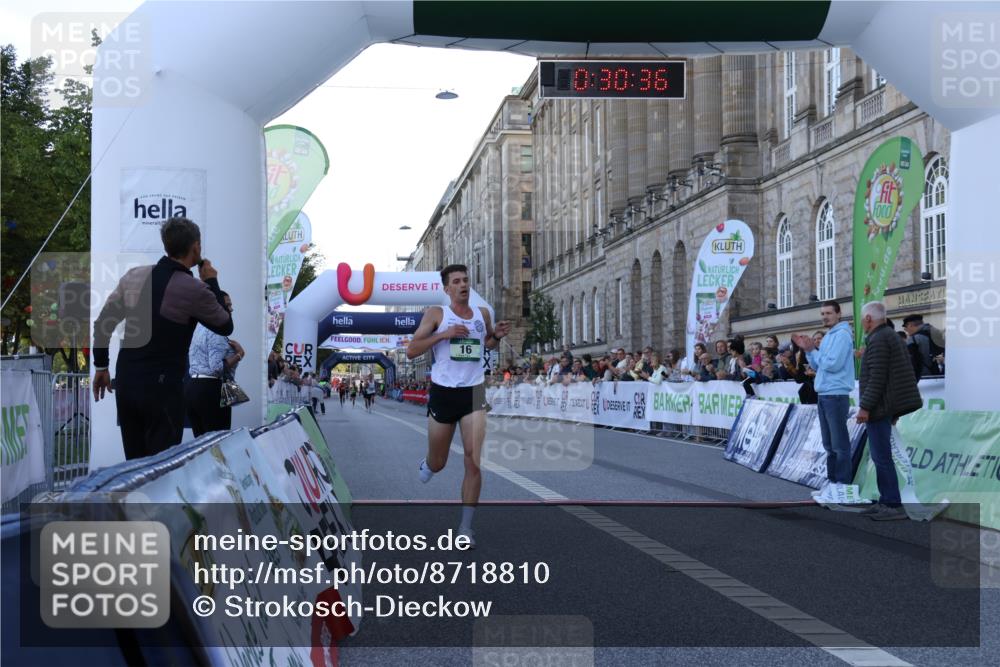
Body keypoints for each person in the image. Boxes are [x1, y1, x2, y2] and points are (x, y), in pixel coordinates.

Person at [93, 217, 233, 459]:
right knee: (161, 470)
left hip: (126, 382)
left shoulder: (133, 276)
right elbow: (225, 325)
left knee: (134, 465)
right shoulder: (195, 289)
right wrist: (211, 280)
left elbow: (102, 323)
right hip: (162, 390)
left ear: (166, 245)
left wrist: (101, 365)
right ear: (196, 247)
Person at [406, 264, 511, 547]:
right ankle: (428, 463)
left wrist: (496, 336)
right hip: (443, 392)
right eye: (457, 281)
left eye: (466, 280)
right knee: (439, 463)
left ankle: (465, 529)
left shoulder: (482, 313)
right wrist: (443, 334)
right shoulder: (437, 314)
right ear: (447, 288)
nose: (463, 285)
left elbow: (486, 343)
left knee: (473, 460)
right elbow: (411, 350)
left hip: (474, 392)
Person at [857, 302, 923, 520]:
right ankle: (887, 500)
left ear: (868, 319)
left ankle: (892, 504)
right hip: (887, 405)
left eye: (861, 319)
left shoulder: (879, 339)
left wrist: (865, 407)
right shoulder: (888, 336)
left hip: (879, 407)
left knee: (881, 457)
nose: (861, 323)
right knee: (881, 456)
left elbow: (877, 378)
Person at [792, 301, 855, 491]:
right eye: (822, 313)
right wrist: (810, 352)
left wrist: (812, 351)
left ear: (838, 314)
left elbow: (832, 364)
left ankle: (842, 484)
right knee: (829, 444)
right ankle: (833, 482)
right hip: (826, 394)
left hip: (835, 394)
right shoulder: (829, 336)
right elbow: (820, 366)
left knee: (839, 444)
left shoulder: (842, 335)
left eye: (828, 313)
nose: (824, 317)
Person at [185, 291, 244, 436]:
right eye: (228, 305)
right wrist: (239, 355)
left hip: (192, 388)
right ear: (217, 307)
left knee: (201, 444)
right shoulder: (216, 331)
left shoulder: (198, 328)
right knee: (217, 443)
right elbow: (217, 368)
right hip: (210, 391)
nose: (231, 309)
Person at [902, 314, 945, 379]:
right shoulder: (937, 333)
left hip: (921, 378)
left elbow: (909, 362)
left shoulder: (913, 339)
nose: (905, 329)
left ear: (910, 325)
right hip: (940, 376)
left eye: (905, 327)